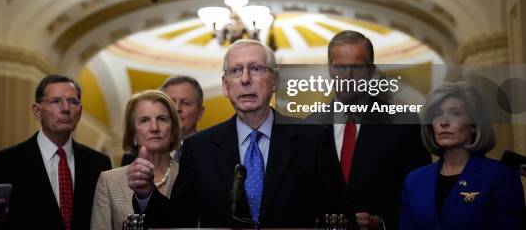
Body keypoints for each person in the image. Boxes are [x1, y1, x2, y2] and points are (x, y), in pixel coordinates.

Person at [128, 39, 331, 228]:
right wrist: (147, 194)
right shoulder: (199, 148)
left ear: (275, 81)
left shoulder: (312, 139)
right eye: (235, 71)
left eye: (256, 69)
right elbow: (180, 220)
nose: (245, 79)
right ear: (225, 86)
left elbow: (332, 213)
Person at [309, 30, 430, 230]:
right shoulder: (311, 126)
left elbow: (419, 197)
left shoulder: (403, 123)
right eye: (339, 67)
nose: (347, 76)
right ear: (329, 68)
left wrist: (382, 223)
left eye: (356, 67)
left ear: (371, 70)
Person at [0, 74, 112, 230]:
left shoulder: (98, 163)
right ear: (37, 111)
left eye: (73, 102)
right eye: (55, 102)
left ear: (80, 111)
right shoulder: (6, 162)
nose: (66, 109)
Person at [400, 82, 525, 229]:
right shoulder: (414, 180)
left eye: (455, 113)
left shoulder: (500, 176)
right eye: (437, 114)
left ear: (473, 125)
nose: (444, 122)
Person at [90, 90, 181, 230]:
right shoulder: (109, 181)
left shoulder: (189, 176)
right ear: (133, 134)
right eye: (144, 120)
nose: (154, 128)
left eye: (162, 119)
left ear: (173, 130)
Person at [120, 75, 205, 166]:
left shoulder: (210, 151)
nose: (176, 108)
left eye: (185, 103)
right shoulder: (129, 161)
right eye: (170, 103)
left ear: (200, 112)